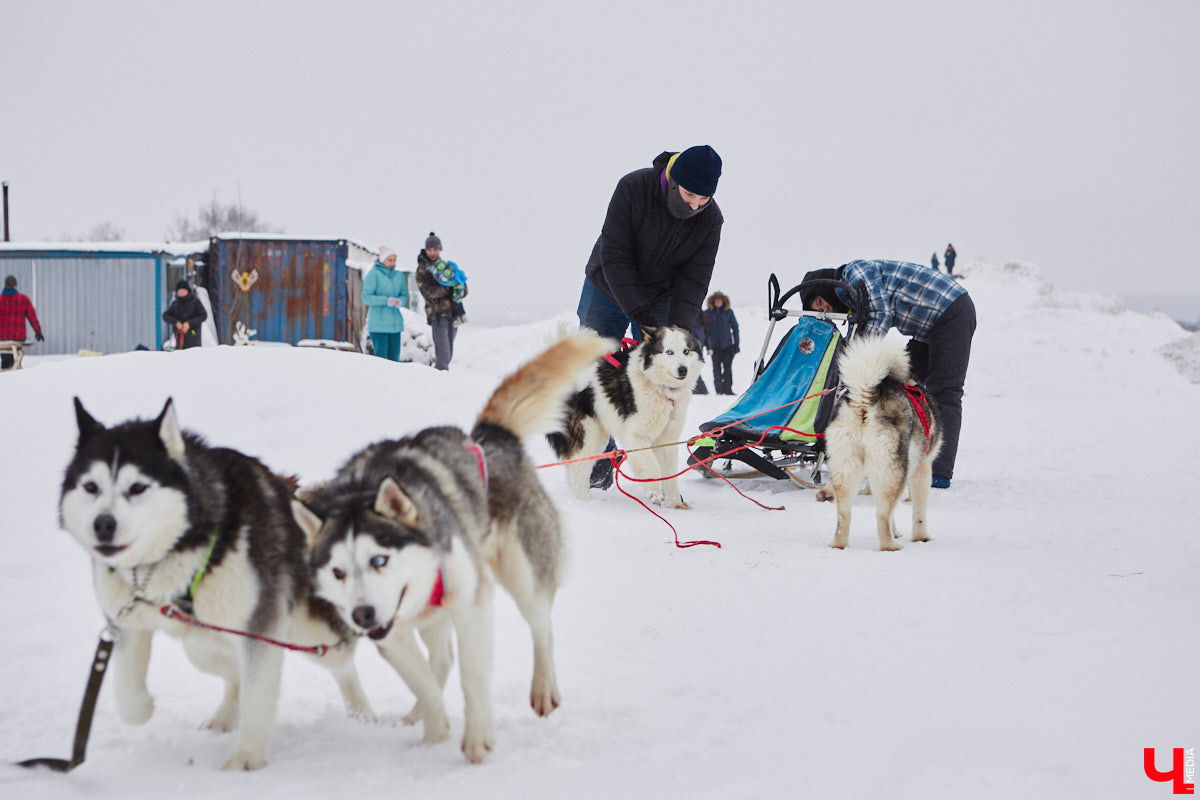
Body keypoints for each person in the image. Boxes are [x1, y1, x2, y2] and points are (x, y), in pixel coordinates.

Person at [576, 144, 725, 488]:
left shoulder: (711, 219)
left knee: (658, 373)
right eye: (689, 195)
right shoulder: (633, 188)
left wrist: (679, 330)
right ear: (673, 181)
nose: (695, 205)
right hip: (608, 285)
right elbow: (615, 255)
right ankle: (598, 452)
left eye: (703, 199)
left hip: (663, 294)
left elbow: (695, 279)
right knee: (597, 366)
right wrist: (638, 313)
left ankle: (653, 453)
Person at [800, 260, 976, 489]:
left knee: (945, 392)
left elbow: (881, 313)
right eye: (818, 310)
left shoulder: (854, 273)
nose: (824, 310)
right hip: (927, 327)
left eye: (820, 302)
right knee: (900, 389)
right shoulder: (850, 298)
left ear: (826, 288)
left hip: (952, 310)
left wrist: (859, 359)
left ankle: (938, 473)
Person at [416, 232, 467, 370]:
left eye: (435, 249)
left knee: (448, 353)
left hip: (453, 313)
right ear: (426, 250)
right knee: (443, 355)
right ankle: (440, 381)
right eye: (430, 250)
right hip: (437, 315)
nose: (432, 253)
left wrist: (460, 286)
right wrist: (448, 288)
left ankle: (443, 379)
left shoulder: (446, 267)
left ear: (440, 250)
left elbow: (462, 289)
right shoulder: (423, 269)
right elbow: (428, 293)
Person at [362, 245, 409, 361]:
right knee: (381, 361)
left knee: (394, 360)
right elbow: (365, 297)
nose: (393, 263)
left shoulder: (399, 275)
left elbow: (404, 295)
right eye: (390, 260)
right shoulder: (373, 274)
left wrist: (400, 302)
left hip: (395, 326)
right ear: (382, 260)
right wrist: (385, 300)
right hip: (378, 326)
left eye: (394, 260)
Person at [1, 275, 44, 369]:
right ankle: (14, 372)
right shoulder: (23, 299)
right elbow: (32, 317)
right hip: (17, 339)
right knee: (16, 358)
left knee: (5, 359)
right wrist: (38, 332)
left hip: (2, 339)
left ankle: (5, 371)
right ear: (15, 286)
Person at [704, 291, 739, 395]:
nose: (718, 302)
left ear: (723, 302)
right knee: (716, 369)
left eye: (720, 301)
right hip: (714, 348)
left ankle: (728, 390)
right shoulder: (707, 314)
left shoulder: (728, 312)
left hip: (727, 346)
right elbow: (705, 332)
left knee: (728, 369)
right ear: (713, 302)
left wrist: (736, 344)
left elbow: (735, 328)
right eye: (716, 301)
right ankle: (719, 390)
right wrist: (708, 346)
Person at [162, 279, 207, 349]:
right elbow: (165, 316)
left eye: (184, 291)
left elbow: (203, 315)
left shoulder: (195, 302)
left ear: (188, 291)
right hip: (180, 338)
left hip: (193, 336)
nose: (182, 293)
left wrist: (189, 324)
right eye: (180, 291)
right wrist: (176, 323)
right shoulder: (175, 303)